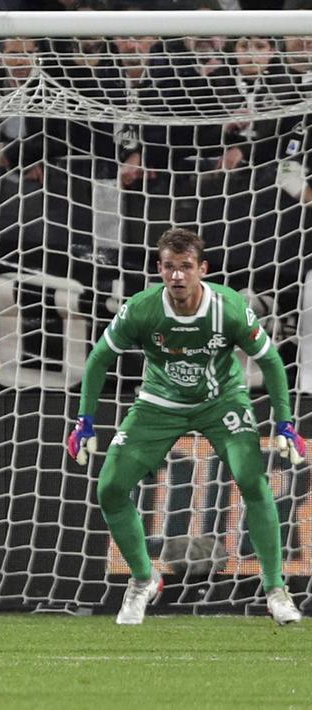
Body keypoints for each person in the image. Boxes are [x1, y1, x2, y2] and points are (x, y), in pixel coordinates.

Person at [67, 227, 306, 627]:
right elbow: (98, 359)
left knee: (251, 478)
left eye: (186, 267)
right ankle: (144, 580)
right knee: (109, 488)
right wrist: (85, 421)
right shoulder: (142, 308)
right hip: (160, 404)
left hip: (221, 401)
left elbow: (270, 361)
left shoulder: (227, 308)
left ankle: (275, 589)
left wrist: (285, 421)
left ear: (202, 269)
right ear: (159, 269)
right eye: (169, 267)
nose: (177, 276)